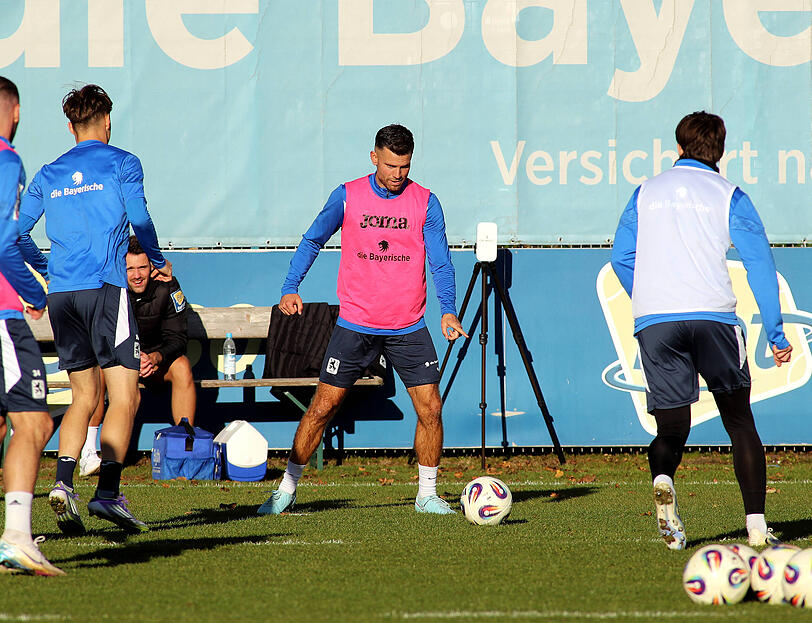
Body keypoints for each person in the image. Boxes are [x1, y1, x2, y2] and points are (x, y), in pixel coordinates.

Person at [258, 124, 467, 516]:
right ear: (374, 157)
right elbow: (312, 239)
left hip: (408, 327)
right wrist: (290, 286)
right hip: (355, 326)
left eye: (404, 166)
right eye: (390, 165)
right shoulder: (348, 195)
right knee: (321, 408)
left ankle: (427, 494)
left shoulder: (426, 202)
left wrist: (448, 310)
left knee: (431, 409)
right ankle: (285, 489)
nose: (397, 174)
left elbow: (441, 261)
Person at [610, 111, 793, 550]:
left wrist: (653, 297)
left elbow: (620, 257)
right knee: (739, 421)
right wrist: (776, 332)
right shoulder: (730, 195)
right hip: (713, 317)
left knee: (671, 428)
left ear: (678, 148)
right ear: (722, 151)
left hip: (657, 320)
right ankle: (754, 528)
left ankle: (662, 479)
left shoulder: (645, 192)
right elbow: (760, 266)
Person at [18, 84, 172, 535]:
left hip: (63, 295)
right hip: (106, 289)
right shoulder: (123, 161)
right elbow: (139, 218)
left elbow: (18, 234)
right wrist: (158, 261)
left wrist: (49, 268)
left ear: (70, 127)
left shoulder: (48, 173)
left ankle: (63, 484)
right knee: (126, 395)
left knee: (85, 396)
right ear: (107, 121)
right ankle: (107, 494)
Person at [0, 77, 63, 575]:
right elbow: (5, 241)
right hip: (2, 314)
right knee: (35, 421)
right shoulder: (6, 158)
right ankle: (17, 537)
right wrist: (36, 292)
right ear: (15, 110)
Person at [79, 235, 194, 476]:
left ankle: (185, 450)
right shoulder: (111, 288)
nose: (137, 275)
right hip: (119, 362)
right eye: (130, 268)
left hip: (153, 363)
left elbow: (178, 338)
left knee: (182, 366)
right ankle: (89, 454)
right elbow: (99, 335)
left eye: (142, 267)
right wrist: (130, 357)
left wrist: (156, 357)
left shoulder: (168, 285)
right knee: (98, 369)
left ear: (152, 266)